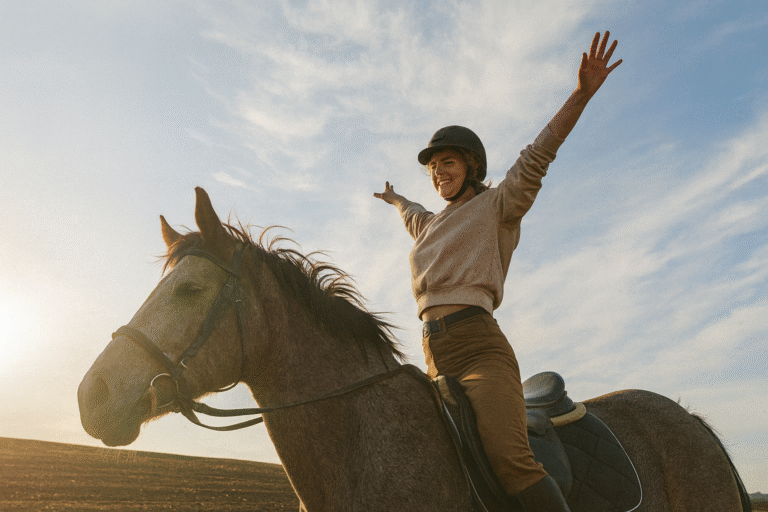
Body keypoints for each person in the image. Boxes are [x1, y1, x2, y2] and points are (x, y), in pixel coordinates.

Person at [374, 32, 622, 512]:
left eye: (448, 162)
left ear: (471, 166)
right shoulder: (429, 225)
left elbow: (539, 154)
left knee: (512, 462)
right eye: (433, 167)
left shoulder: (497, 206)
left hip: (479, 350)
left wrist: (582, 94)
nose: (438, 172)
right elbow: (412, 214)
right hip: (431, 353)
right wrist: (396, 199)